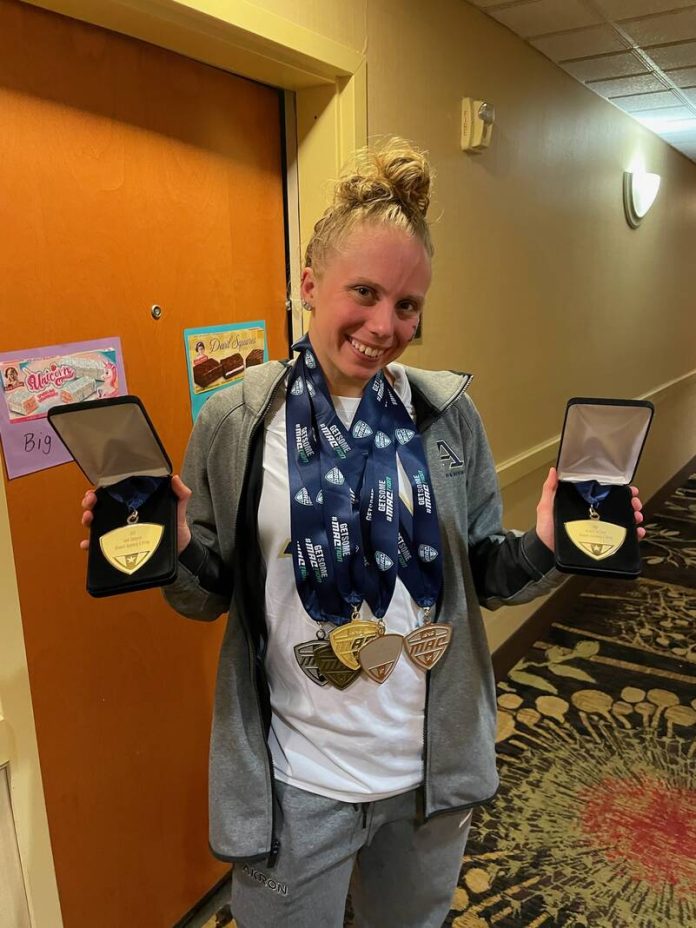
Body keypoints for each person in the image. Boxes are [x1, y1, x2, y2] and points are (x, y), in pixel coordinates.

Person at [81, 139, 645, 928]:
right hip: (295, 783)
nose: (385, 326)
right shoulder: (237, 422)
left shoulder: (448, 418)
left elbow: (486, 574)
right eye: (366, 292)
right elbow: (209, 596)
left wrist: (549, 544)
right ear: (309, 284)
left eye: (408, 305)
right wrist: (171, 551)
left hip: (426, 777)